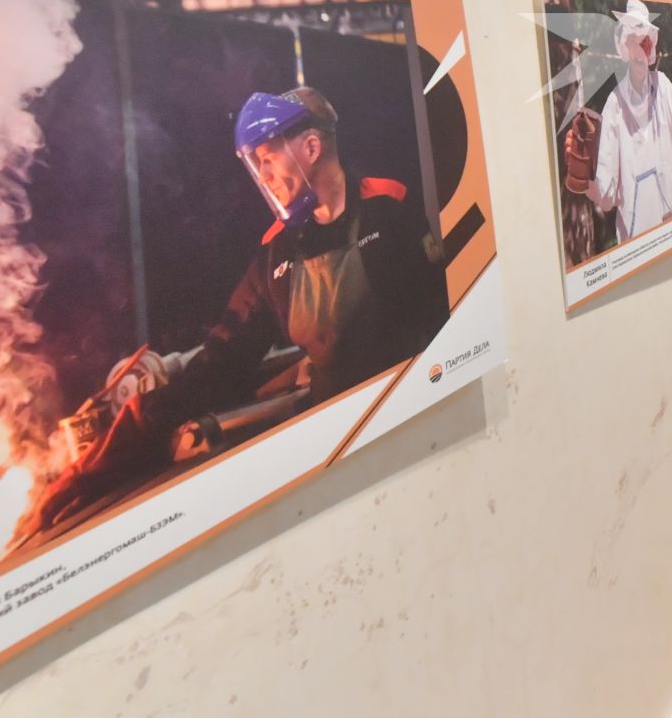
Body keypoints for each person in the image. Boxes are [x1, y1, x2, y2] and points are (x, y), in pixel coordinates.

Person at [34, 87, 449, 528]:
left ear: (311, 147)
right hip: (341, 440)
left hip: (419, 413)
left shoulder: (391, 208)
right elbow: (221, 364)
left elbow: (441, 311)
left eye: (269, 158)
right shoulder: (277, 257)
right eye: (257, 164)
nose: (264, 176)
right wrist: (122, 442)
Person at [564, 0, 672, 240]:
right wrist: (583, 177)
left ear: (651, 48)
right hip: (635, 243)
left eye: (645, 41)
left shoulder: (663, 85)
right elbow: (606, 193)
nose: (640, 49)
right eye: (633, 41)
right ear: (625, 48)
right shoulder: (614, 106)